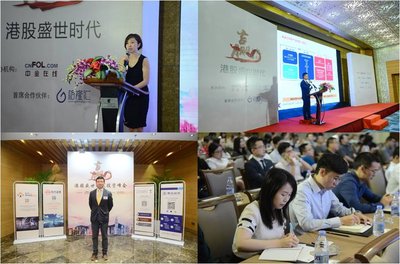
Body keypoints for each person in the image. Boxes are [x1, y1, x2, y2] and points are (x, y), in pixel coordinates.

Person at [290, 153, 370, 235]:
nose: (337, 183)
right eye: (335, 178)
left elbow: (339, 209)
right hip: (303, 239)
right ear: (322, 172)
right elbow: (306, 224)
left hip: (321, 235)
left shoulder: (326, 188)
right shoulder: (302, 191)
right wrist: (340, 221)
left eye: (339, 179)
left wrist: (355, 213)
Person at [232, 168, 299, 260]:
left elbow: (272, 238)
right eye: (283, 194)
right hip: (250, 259)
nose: (286, 199)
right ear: (270, 191)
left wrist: (286, 239)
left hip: (270, 256)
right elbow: (240, 243)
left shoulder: (279, 209)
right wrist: (279, 243)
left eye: (289, 195)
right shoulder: (252, 210)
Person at [118, 33, 150, 132]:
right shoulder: (123, 59)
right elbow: (120, 78)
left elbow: (146, 81)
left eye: (132, 42)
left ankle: (139, 146)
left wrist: (133, 88)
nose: (129, 45)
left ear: (139, 44)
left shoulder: (144, 60)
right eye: (127, 43)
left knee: (139, 126)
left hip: (141, 95)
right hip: (128, 96)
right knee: (130, 126)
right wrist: (122, 65)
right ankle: (130, 147)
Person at [89, 176, 113, 261]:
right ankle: (94, 253)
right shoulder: (92, 193)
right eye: (98, 181)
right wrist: (96, 211)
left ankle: (104, 253)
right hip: (94, 218)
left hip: (104, 218)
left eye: (101, 181)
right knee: (94, 236)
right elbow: (91, 205)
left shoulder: (108, 193)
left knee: (104, 236)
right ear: (96, 183)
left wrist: (104, 212)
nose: (100, 183)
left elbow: (110, 206)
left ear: (104, 183)